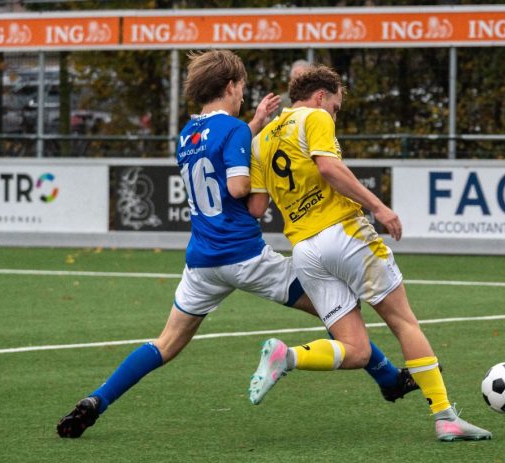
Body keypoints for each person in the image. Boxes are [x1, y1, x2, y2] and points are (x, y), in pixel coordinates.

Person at [56, 51, 416, 439]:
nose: (244, 95)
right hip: (245, 256)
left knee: (166, 343)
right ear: (230, 86)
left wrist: (255, 125)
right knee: (338, 308)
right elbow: (238, 187)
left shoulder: (188, 134)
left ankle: (98, 400)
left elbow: (221, 147)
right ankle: (388, 378)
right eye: (242, 87)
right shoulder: (237, 132)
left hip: (202, 261)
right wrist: (257, 149)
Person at [246, 65, 491, 442]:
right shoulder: (314, 116)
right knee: (404, 322)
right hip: (344, 234)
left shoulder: (260, 141)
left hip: (305, 250)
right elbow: (328, 167)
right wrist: (379, 207)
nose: (335, 114)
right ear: (321, 96)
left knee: (357, 350)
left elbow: (256, 207)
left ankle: (287, 356)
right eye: (337, 107)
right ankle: (445, 417)